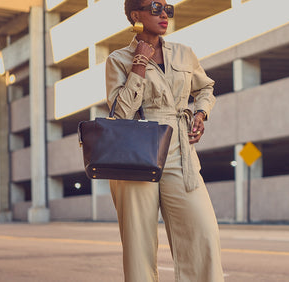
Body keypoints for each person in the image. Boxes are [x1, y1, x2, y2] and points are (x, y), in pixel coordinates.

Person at [104, 0, 224, 281]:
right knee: (139, 247)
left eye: (168, 8)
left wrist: (201, 112)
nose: (164, 14)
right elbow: (120, 114)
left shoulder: (184, 53)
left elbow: (206, 86)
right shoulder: (118, 60)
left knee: (204, 233)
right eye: (155, 7)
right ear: (136, 15)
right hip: (136, 153)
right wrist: (140, 63)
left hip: (180, 152)